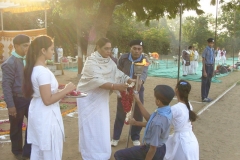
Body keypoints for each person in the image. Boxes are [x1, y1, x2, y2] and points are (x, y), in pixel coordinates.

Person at [76, 37, 135, 160]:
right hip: (88, 97)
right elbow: (97, 81)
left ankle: (102, 152)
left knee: (101, 124)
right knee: (90, 126)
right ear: (98, 47)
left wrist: (129, 79)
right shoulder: (91, 61)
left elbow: (117, 74)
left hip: (101, 98)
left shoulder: (109, 61)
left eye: (110, 49)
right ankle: (90, 154)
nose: (109, 51)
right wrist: (116, 86)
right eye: (106, 48)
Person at [23, 35, 76, 159]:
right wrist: (67, 90)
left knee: (39, 149)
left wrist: (62, 91)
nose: (53, 52)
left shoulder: (35, 69)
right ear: (43, 50)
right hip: (46, 114)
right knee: (50, 150)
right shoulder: (42, 71)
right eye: (52, 49)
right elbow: (47, 100)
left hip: (38, 111)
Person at [114, 85, 175, 160]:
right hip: (161, 148)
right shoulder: (166, 109)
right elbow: (151, 121)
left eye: (155, 98)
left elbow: (153, 148)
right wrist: (136, 122)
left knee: (119, 155)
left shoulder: (158, 122)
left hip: (151, 150)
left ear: (158, 101)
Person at [111, 40, 148, 147]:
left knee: (138, 112)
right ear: (130, 48)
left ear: (142, 50)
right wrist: (120, 85)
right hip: (124, 87)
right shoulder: (123, 58)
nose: (137, 51)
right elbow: (117, 71)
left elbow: (144, 72)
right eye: (134, 48)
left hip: (137, 88)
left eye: (139, 49)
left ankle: (135, 136)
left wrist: (141, 81)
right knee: (121, 112)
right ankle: (115, 137)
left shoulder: (144, 59)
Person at [1, 34, 31, 159]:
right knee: (16, 127)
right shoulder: (10, 63)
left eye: (29, 46)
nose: (27, 48)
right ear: (16, 46)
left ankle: (28, 151)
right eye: (25, 46)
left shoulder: (29, 60)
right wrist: (11, 105)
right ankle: (17, 152)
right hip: (17, 99)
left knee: (34, 123)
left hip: (29, 98)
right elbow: (6, 86)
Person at [164, 80, 199, 160]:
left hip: (181, 142)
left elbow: (160, 121)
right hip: (192, 140)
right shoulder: (189, 105)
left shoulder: (175, 108)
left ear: (176, 90)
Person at [201, 38, 215, 102]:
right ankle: (203, 97)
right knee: (204, 82)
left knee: (209, 82)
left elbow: (213, 60)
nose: (211, 44)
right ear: (208, 43)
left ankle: (206, 96)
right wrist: (204, 70)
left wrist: (213, 70)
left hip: (211, 66)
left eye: (212, 43)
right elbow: (203, 60)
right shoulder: (206, 50)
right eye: (210, 43)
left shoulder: (212, 50)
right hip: (206, 66)